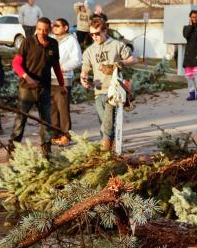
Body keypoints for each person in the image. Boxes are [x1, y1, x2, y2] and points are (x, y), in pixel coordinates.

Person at [8, 17, 64, 158]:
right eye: (39, 29)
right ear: (36, 28)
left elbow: (56, 66)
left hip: (44, 89)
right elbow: (16, 64)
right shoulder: (28, 42)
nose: (42, 32)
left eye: (45, 30)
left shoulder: (53, 44)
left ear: (49, 30)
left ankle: (47, 152)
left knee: (46, 122)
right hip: (26, 89)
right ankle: (12, 151)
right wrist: (26, 77)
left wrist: (62, 84)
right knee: (20, 120)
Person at [81, 17, 136, 152]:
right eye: (91, 34)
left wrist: (121, 63)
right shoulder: (89, 51)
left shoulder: (116, 45)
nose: (94, 37)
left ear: (105, 31)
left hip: (114, 90)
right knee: (104, 124)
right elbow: (84, 71)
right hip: (98, 90)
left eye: (97, 33)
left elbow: (133, 59)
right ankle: (110, 150)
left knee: (107, 123)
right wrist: (84, 80)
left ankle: (106, 148)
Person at [50, 18, 82, 146]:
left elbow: (77, 59)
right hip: (49, 78)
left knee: (63, 109)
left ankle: (66, 136)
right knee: (52, 110)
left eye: (57, 25)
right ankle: (55, 135)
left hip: (63, 79)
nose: (54, 27)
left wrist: (63, 68)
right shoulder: (51, 39)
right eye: (53, 25)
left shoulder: (71, 40)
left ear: (66, 27)